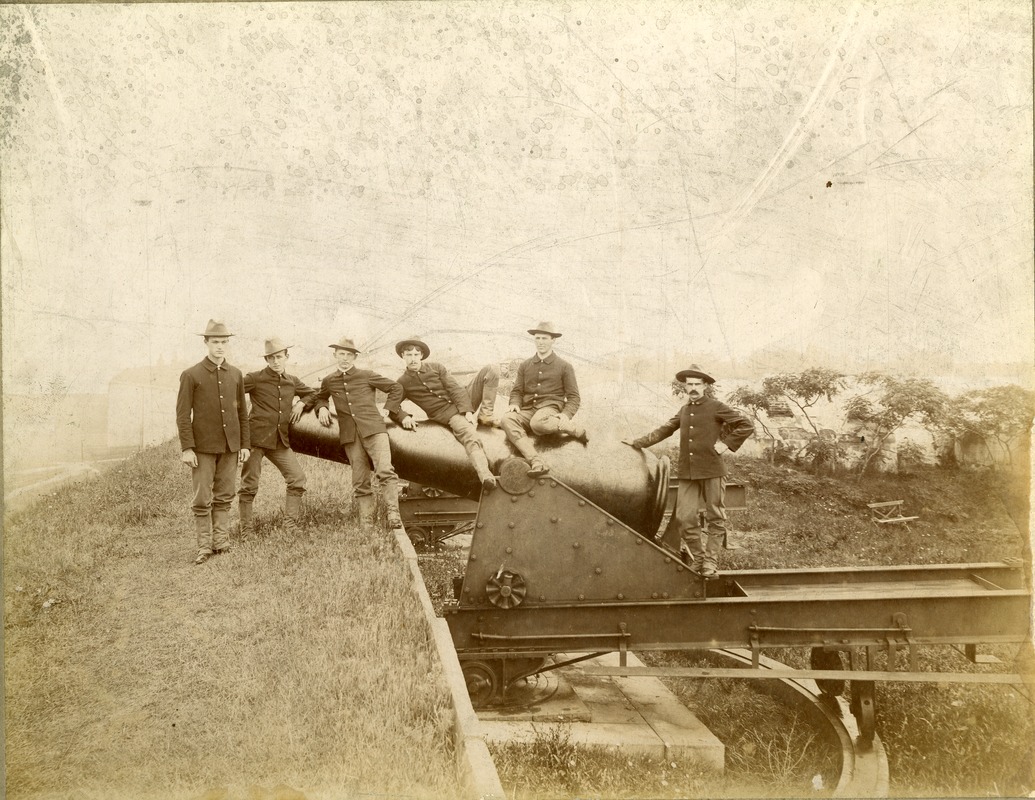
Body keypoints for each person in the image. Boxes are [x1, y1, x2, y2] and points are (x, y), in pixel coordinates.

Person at [622, 363, 754, 577]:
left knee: (715, 517)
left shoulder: (716, 406)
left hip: (712, 469)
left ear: (705, 386)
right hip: (688, 473)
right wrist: (637, 442)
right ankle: (699, 558)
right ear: (684, 386)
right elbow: (665, 429)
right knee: (684, 517)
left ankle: (710, 563)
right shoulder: (684, 410)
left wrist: (726, 444)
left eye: (697, 384)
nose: (692, 388)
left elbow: (745, 425)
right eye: (689, 384)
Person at [175, 319, 250, 565]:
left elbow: (242, 414)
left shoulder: (236, 374)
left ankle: (222, 542)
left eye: (224, 342)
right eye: (215, 341)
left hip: (230, 447)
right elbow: (183, 415)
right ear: (206, 343)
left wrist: (244, 445)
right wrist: (187, 447)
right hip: (202, 448)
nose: (220, 346)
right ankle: (204, 547)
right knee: (201, 498)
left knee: (225, 494)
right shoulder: (191, 375)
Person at [314, 336, 405, 529]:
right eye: (341, 354)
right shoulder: (330, 380)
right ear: (335, 355)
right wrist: (322, 407)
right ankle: (367, 522)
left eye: (349, 354)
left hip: (374, 430)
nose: (345, 358)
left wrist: (388, 409)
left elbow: (396, 388)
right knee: (360, 478)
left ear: (354, 357)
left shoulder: (366, 375)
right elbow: (320, 397)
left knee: (385, 471)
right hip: (350, 436)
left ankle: (393, 514)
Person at [391, 336, 499, 491]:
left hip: (464, 399)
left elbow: (454, 389)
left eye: (416, 355)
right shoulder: (402, 382)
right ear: (402, 356)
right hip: (448, 415)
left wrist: (468, 411)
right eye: (409, 355)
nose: (413, 359)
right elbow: (392, 407)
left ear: (421, 355)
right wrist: (404, 416)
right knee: (469, 435)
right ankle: (485, 475)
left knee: (491, 368)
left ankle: (485, 415)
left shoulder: (436, 367)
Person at [238, 337, 320, 536]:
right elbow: (232, 391)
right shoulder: (255, 378)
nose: (276, 361)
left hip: (279, 441)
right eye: (271, 358)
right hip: (255, 441)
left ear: (286, 357)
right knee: (250, 485)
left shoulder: (292, 381)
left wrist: (302, 403)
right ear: (266, 359)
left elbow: (314, 394)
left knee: (297, 479)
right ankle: (246, 531)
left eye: (279, 357)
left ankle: (289, 525)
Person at [501, 321, 587, 477]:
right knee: (507, 419)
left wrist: (565, 415)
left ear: (553, 340)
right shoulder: (525, 365)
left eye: (544, 339)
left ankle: (571, 428)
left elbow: (574, 397)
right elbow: (517, 391)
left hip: (549, 410)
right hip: (528, 410)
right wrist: (514, 404)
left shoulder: (564, 366)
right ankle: (536, 462)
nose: (540, 342)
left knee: (537, 423)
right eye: (537, 338)